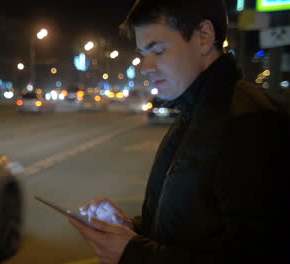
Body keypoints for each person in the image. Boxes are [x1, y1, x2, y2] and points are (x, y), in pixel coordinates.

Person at [68, 0, 289, 263]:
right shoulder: (193, 115)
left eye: (158, 50)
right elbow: (193, 231)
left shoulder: (250, 122)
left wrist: (133, 253)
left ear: (203, 37)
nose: (145, 67)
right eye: (142, 54)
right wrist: (132, 232)